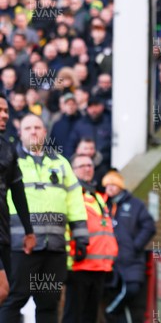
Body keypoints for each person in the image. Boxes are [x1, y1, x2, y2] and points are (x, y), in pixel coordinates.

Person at [0, 114, 88, 322]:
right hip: (21, 246)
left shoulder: (61, 163)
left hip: (54, 248)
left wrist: (81, 236)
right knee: (14, 299)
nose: (33, 131)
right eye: (28, 127)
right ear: (19, 133)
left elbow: (75, 200)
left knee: (49, 303)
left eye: (37, 127)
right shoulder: (11, 159)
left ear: (45, 132)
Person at [62, 154, 118, 323]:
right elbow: (65, 227)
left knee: (90, 317)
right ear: (73, 170)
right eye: (82, 166)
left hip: (99, 267)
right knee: (73, 316)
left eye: (90, 165)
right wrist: (68, 259)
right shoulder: (70, 194)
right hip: (79, 264)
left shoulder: (98, 197)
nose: (87, 168)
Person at [104, 169, 156, 323]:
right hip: (109, 261)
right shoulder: (102, 204)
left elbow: (149, 226)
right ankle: (112, 313)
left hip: (130, 259)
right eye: (107, 185)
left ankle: (110, 311)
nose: (110, 188)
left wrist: (135, 245)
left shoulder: (135, 204)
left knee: (132, 290)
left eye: (113, 184)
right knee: (112, 293)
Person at [0, 95, 35, 305]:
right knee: (2, 289)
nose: (4, 115)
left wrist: (29, 230)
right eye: (0, 110)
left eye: (6, 111)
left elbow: (18, 191)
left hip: (3, 231)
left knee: (6, 290)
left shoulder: (8, 148)